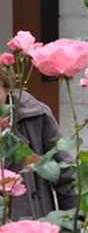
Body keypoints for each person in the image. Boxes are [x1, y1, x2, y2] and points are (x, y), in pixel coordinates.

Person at [0, 85, 77, 219]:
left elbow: (66, 175)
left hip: (28, 219)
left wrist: (76, 222)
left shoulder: (35, 114)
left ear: (6, 86)